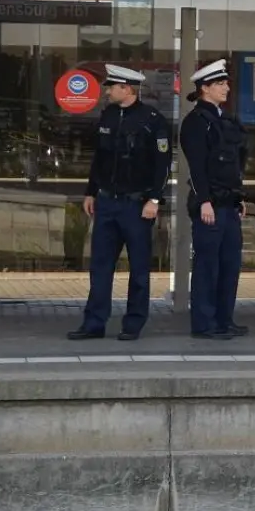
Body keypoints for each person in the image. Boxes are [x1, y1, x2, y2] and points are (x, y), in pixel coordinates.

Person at [67, 64, 172, 341]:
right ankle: (94, 323)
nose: (108, 91)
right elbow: (99, 159)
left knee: (138, 269)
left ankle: (133, 324)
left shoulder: (153, 120)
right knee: (100, 267)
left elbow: (162, 166)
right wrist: (91, 191)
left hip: (137, 206)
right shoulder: (108, 116)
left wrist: (154, 199)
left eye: (112, 87)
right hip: (107, 203)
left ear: (127, 88)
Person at [179, 59, 250, 341]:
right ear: (204, 88)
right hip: (210, 206)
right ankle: (204, 323)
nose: (226, 88)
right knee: (207, 267)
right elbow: (196, 167)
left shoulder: (225, 120)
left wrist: (239, 197)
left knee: (229, 265)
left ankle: (224, 320)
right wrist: (204, 200)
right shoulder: (196, 122)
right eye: (220, 84)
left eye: (226, 83)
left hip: (229, 204)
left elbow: (233, 166)